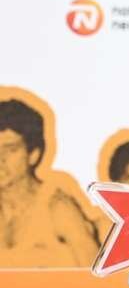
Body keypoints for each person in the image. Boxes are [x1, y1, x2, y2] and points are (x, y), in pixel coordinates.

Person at [0, 97, 98, 268]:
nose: (1, 159)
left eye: (10, 150)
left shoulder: (58, 208)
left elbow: (100, 282)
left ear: (33, 155)